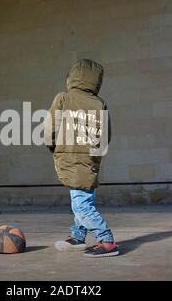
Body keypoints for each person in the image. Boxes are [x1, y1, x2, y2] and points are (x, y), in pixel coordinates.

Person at [44, 59, 118, 258]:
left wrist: (53, 146)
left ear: (72, 77)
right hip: (90, 159)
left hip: (71, 156)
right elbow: (106, 135)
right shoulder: (100, 103)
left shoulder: (64, 98)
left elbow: (50, 127)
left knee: (81, 204)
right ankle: (78, 236)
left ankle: (106, 240)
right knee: (84, 196)